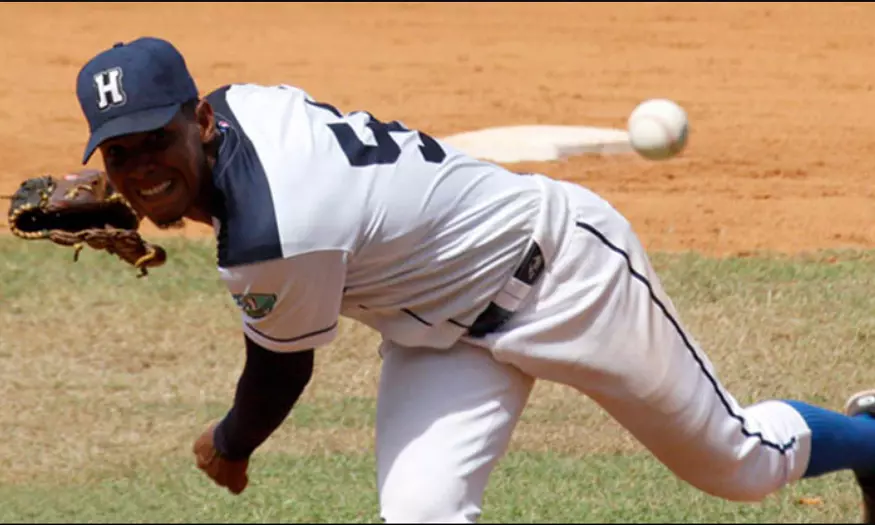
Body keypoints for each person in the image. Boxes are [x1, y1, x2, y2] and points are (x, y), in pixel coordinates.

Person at [72, 36, 875, 523]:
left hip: (564, 274)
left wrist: (229, 443)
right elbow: (246, 193)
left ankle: (871, 441)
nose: (138, 166)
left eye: (155, 140)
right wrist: (166, 192)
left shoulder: (276, 237)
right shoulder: (247, 102)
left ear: (201, 121)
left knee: (734, 464)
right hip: (441, 332)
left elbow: (281, 365)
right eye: (119, 153)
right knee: (419, 512)